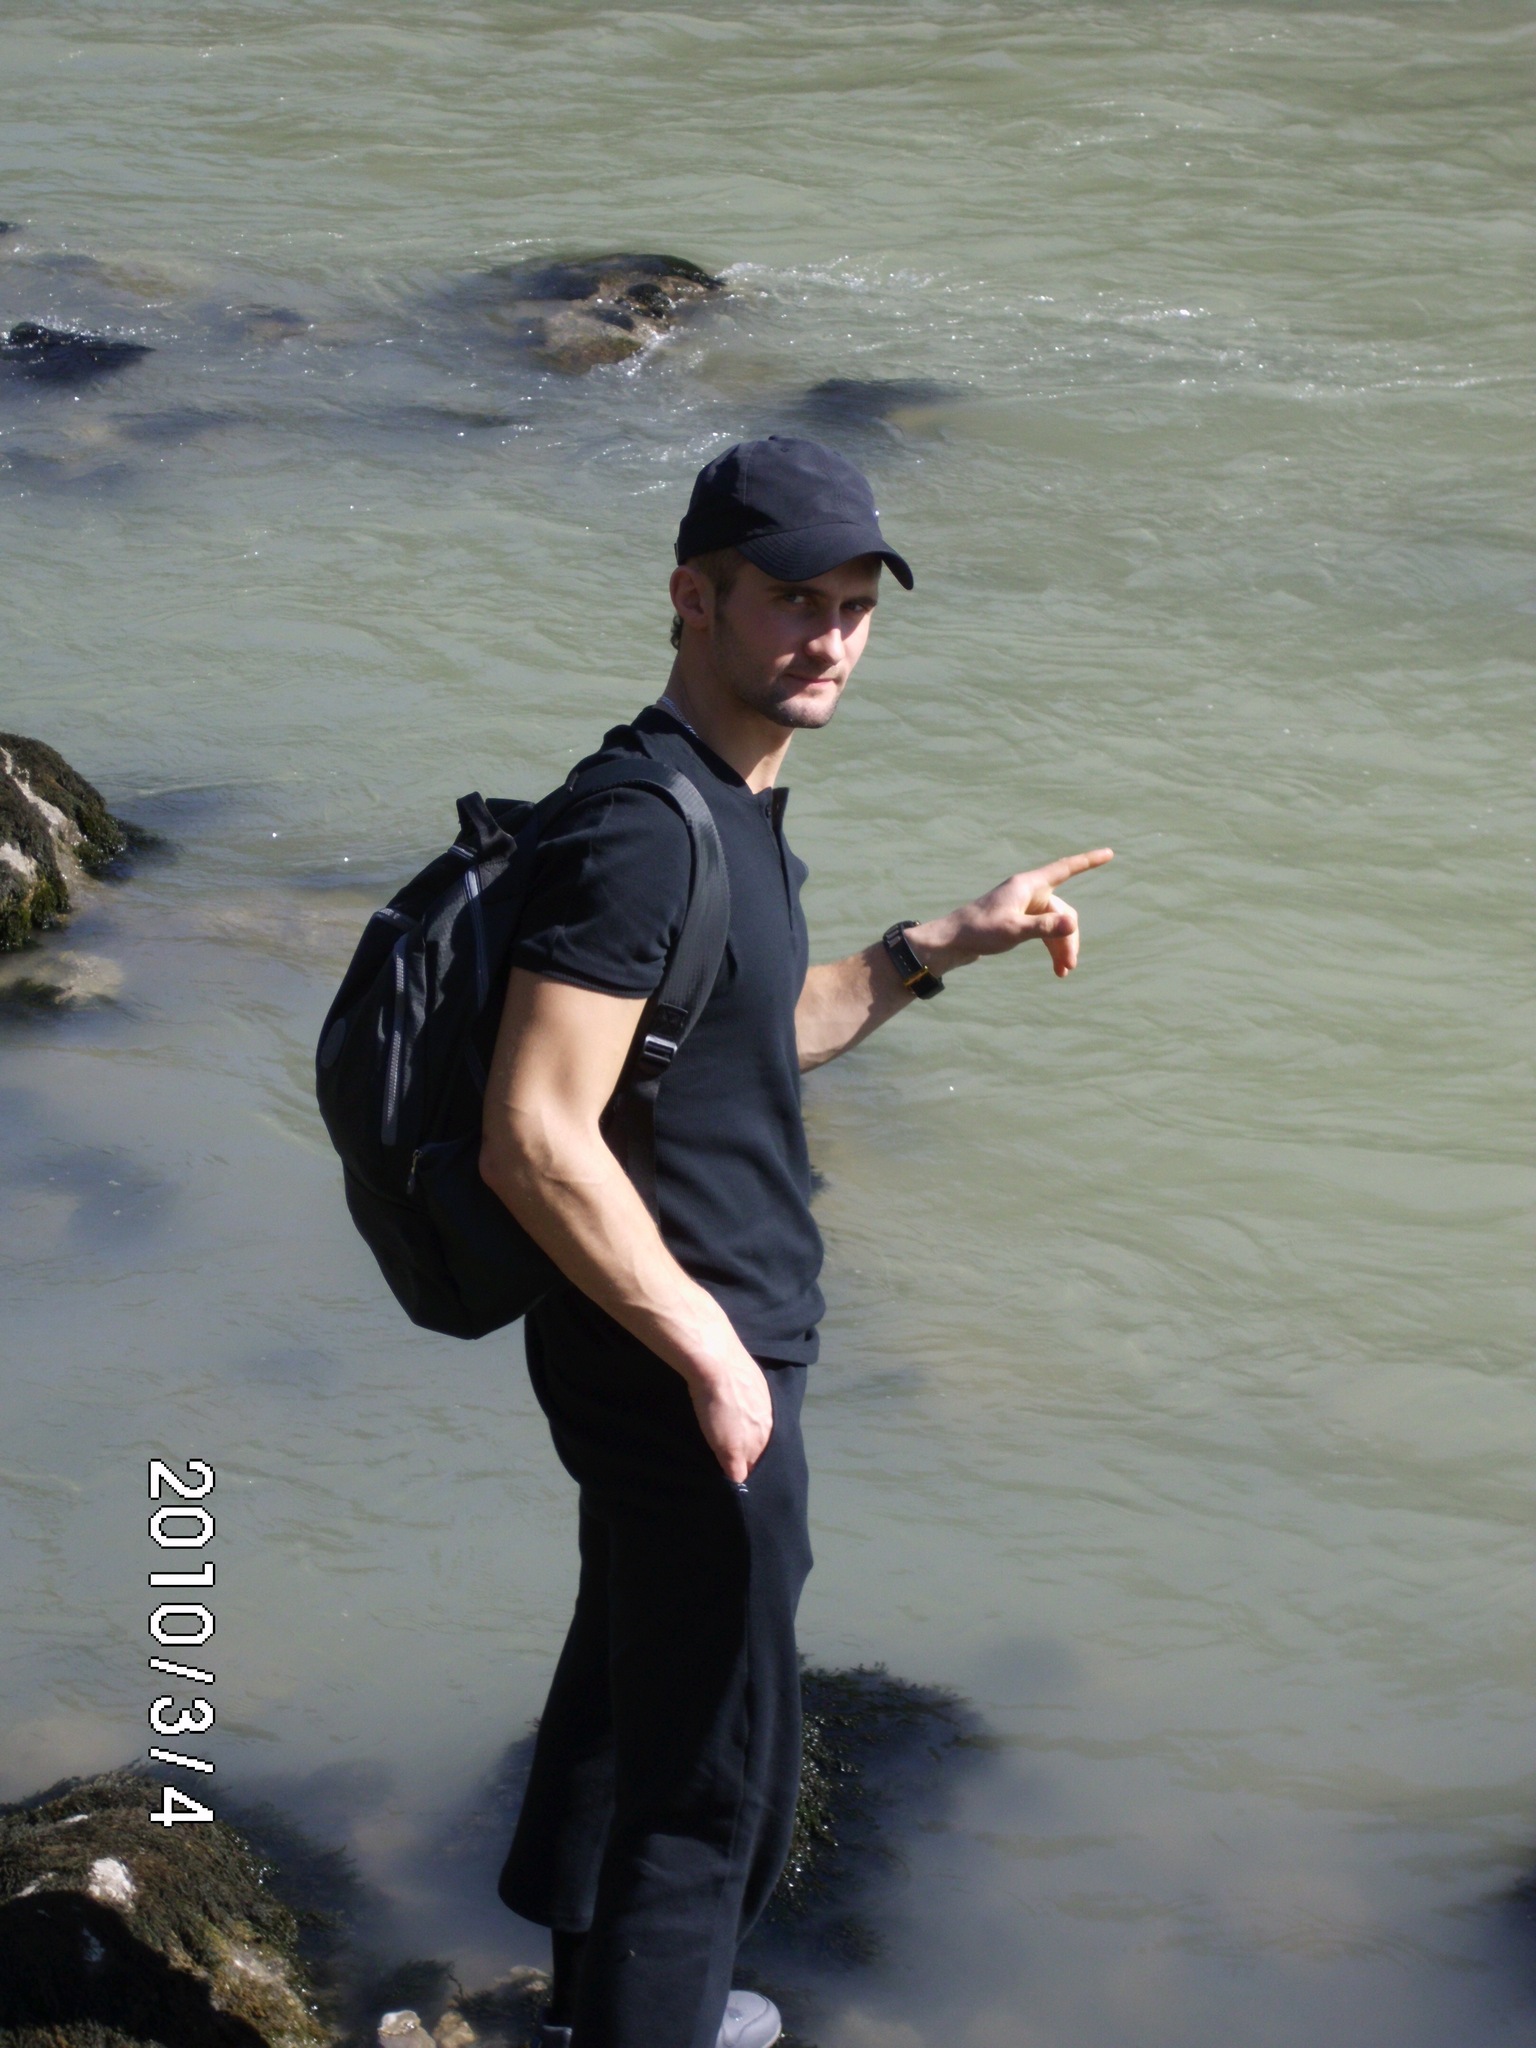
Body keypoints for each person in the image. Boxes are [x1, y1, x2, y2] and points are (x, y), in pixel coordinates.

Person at [479, 436, 1112, 2048]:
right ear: (692, 597)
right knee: (719, 1780)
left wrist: (931, 947)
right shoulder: (641, 830)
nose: (827, 637)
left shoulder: (726, 801)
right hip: (694, 1358)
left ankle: (592, 2010)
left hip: (671, 1346)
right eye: (790, 601)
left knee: (633, 1693)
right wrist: (710, 1354)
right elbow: (535, 1133)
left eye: (852, 607)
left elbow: (738, 1038)